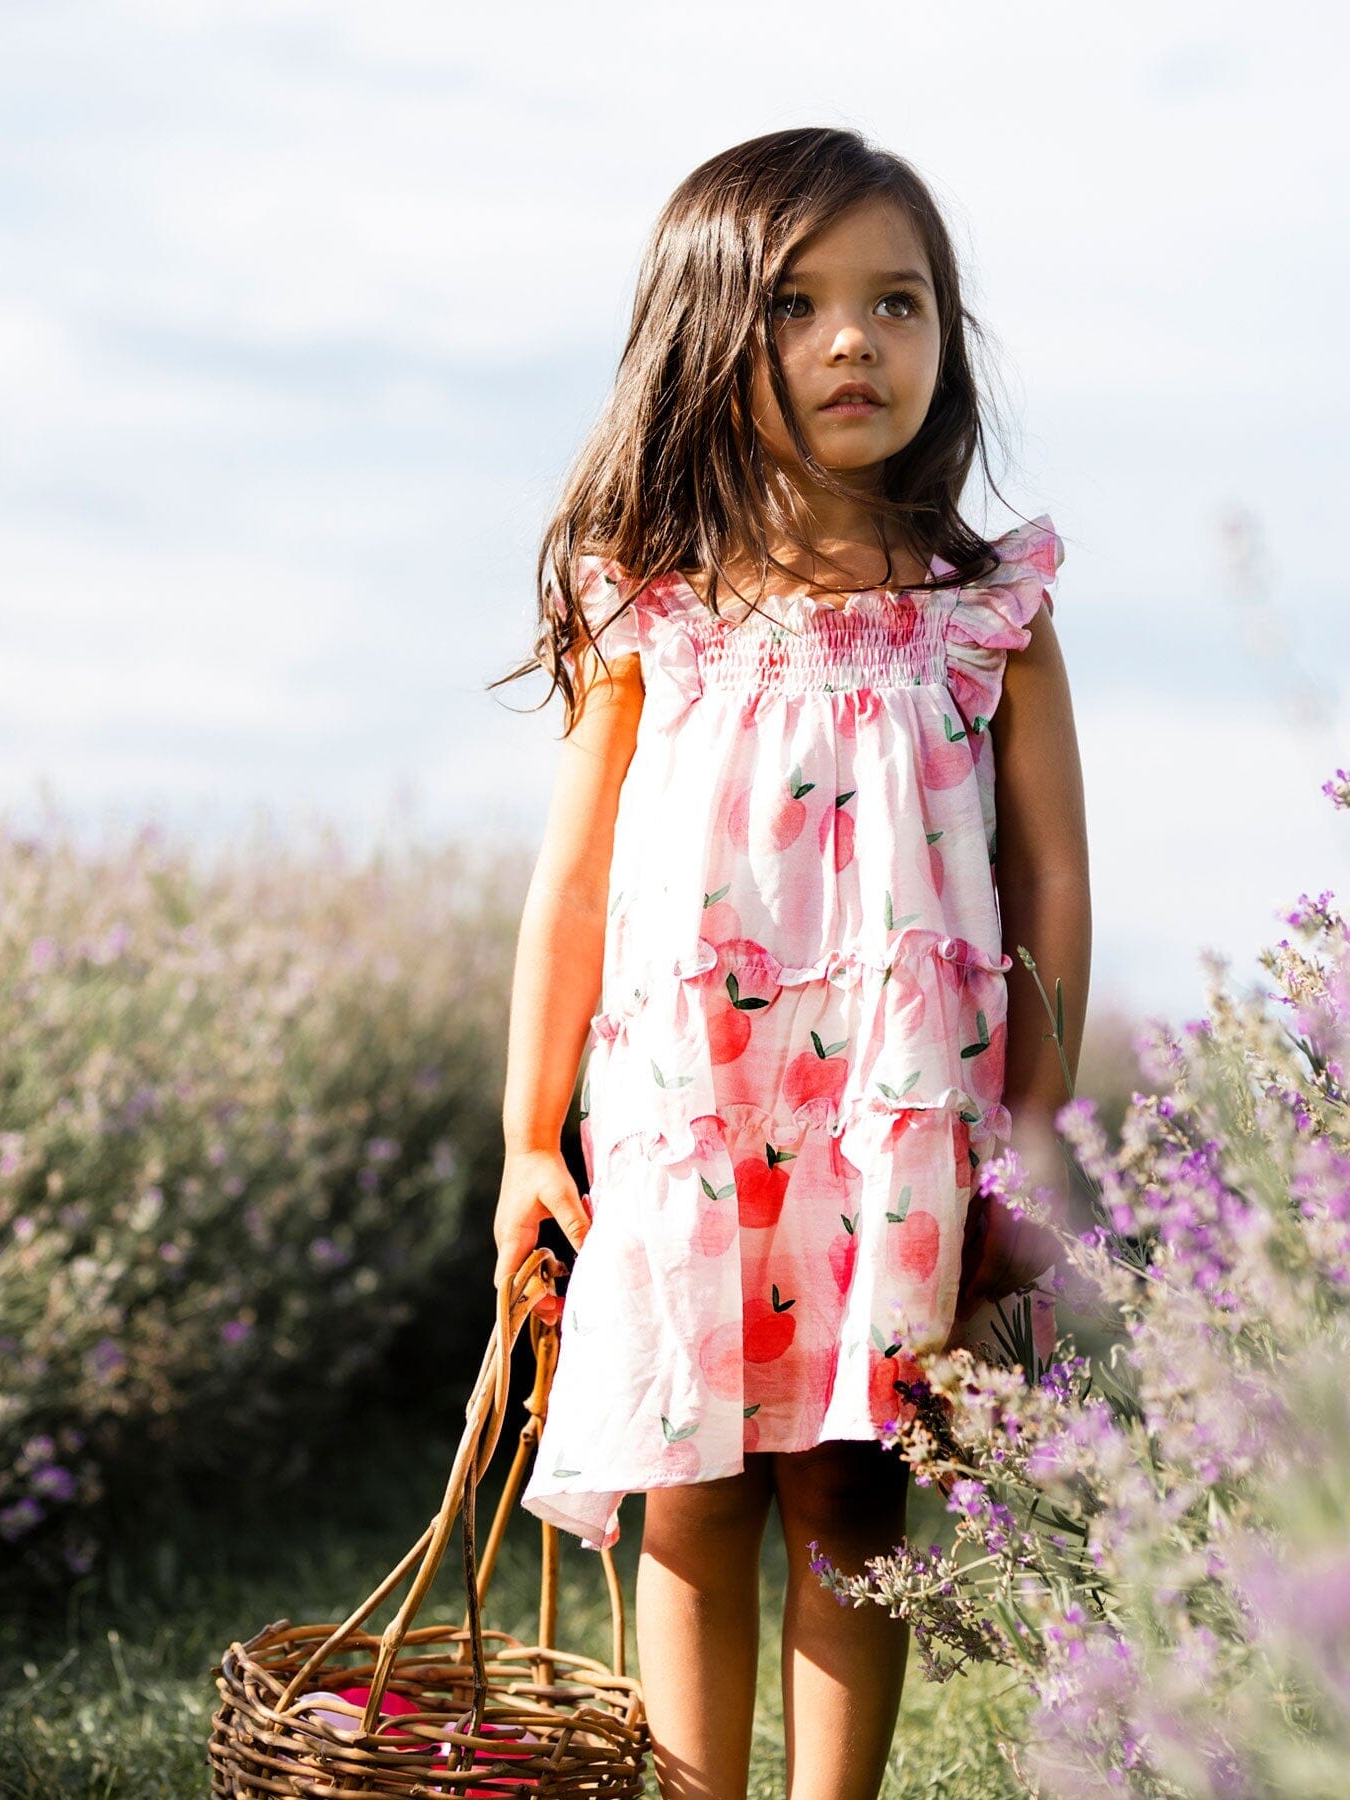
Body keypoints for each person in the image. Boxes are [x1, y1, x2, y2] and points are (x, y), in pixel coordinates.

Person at [489, 126, 1092, 1800]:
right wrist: (533, 1137)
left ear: (943, 341)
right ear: (704, 336)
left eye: (898, 303)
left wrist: (1031, 1132)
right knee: (686, 1487)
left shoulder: (986, 608)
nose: (854, 341)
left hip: (897, 1123)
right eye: (798, 305)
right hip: (698, 1113)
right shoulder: (656, 609)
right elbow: (572, 883)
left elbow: (1049, 874)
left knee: (849, 1486)